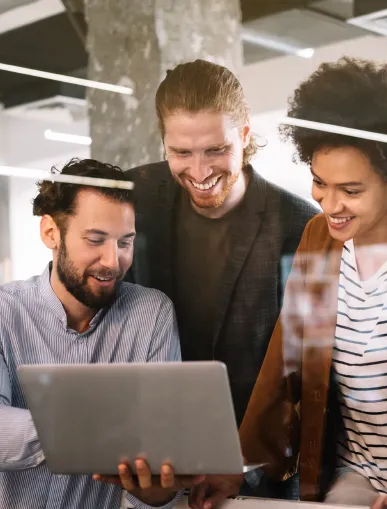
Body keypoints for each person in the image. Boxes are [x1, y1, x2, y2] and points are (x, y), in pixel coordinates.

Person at [189, 58, 387, 509]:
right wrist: (236, 467)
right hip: (353, 469)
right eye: (320, 182)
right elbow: (288, 356)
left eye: (351, 190)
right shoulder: (319, 237)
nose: (330, 203)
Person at [127, 59, 317, 497]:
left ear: (245, 135)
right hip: (156, 462)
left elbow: (308, 377)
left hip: (258, 477)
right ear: (164, 144)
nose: (199, 171)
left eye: (216, 149)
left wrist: (247, 467)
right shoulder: (137, 199)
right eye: (181, 153)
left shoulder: (299, 227)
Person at [0, 159, 203, 509]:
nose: (113, 261)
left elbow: (157, 465)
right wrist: (102, 428)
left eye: (126, 242)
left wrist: (159, 491)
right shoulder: (5, 311)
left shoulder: (152, 314)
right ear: (51, 233)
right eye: (96, 240)